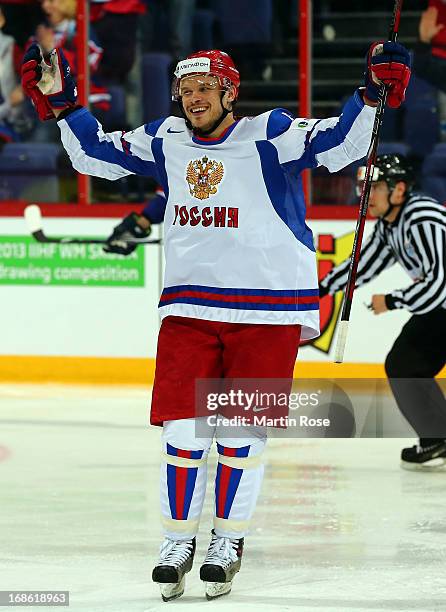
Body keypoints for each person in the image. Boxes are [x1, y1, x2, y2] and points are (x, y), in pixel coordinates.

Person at [20, 41, 411, 600]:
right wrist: (63, 105)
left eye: (204, 87)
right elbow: (94, 156)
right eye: (185, 89)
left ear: (230, 91)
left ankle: (227, 540)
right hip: (190, 308)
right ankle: (177, 541)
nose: (192, 97)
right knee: (182, 432)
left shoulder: (270, 133)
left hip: (267, 310)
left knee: (237, 434)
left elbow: (342, 143)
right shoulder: (165, 138)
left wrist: (370, 93)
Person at [319, 154, 446, 470]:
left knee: (406, 364)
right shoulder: (391, 225)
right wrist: (319, 289)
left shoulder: (422, 218)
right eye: (364, 187)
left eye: (374, 188)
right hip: (439, 310)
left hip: (440, 303)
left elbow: (440, 283)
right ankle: (437, 438)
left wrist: (392, 300)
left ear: (399, 190)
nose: (366, 195)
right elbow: (362, 267)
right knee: (405, 365)